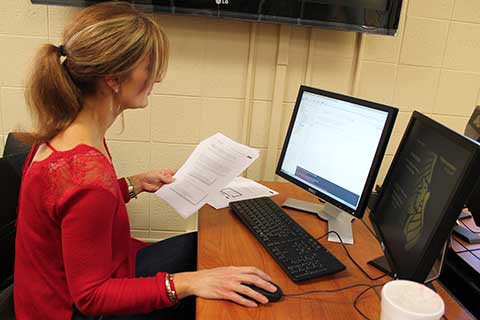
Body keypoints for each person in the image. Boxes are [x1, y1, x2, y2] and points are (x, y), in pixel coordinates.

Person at [13, 2, 276, 319]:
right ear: (113, 79)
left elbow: (68, 212)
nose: (157, 79)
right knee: (214, 298)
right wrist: (188, 283)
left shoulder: (67, 135)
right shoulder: (86, 174)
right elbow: (92, 298)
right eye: (149, 67)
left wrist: (131, 185)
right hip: (69, 311)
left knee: (201, 250)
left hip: (61, 289)